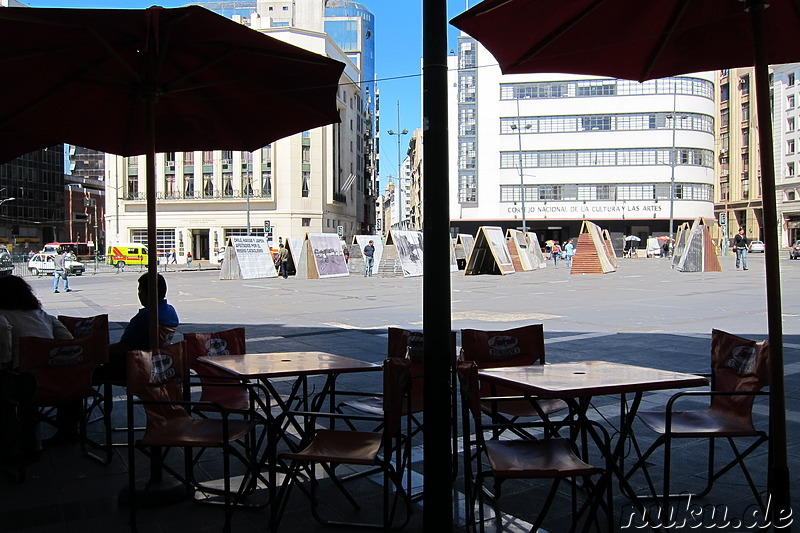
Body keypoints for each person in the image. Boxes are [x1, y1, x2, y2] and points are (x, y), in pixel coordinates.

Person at [0, 276, 74, 452]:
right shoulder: (43, 316)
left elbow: (4, 359)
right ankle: (66, 430)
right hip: (61, 382)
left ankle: (12, 443)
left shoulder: (3, 317)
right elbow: (68, 341)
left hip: (27, 385)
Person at [107, 273, 180, 380]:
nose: (139, 295)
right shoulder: (170, 311)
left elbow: (124, 346)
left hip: (139, 366)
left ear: (148, 293)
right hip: (159, 363)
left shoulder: (146, 317)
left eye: (140, 291)